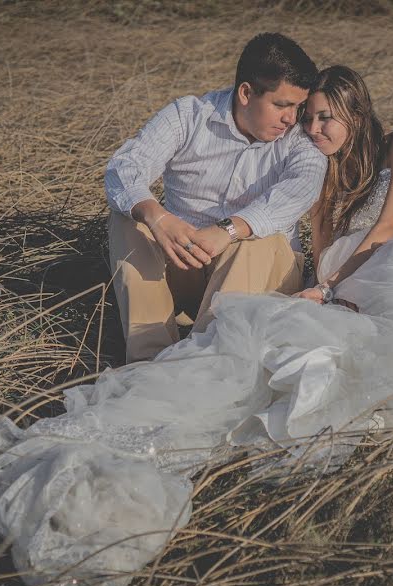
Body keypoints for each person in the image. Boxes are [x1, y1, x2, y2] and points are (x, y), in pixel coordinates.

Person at [0, 66, 393, 586]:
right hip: (358, 287)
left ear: (355, 113)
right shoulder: (321, 176)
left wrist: (328, 289)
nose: (314, 129)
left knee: (383, 301)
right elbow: (327, 253)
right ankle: (154, 420)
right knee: (278, 349)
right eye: (307, 118)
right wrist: (326, 288)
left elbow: (386, 232)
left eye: (326, 116)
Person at [105, 32, 327, 363]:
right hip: (185, 263)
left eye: (298, 107)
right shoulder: (188, 116)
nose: (291, 119)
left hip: (261, 274)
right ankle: (148, 362)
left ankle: (203, 364)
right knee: (128, 219)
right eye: (281, 105)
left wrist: (229, 230)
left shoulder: (299, 139)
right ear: (246, 93)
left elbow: (299, 190)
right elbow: (125, 166)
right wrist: (157, 216)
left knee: (260, 238)